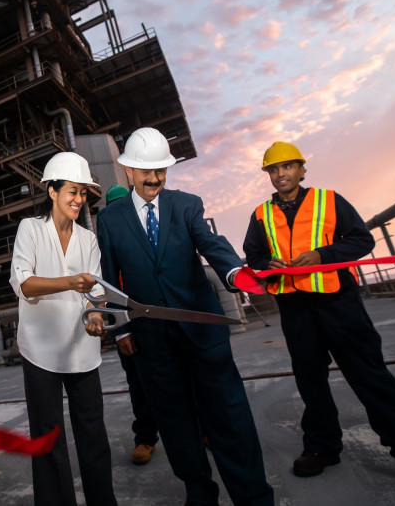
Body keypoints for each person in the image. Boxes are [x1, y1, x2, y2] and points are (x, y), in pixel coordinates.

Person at [243, 142, 395, 501]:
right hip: (294, 307)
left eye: (287, 167)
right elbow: (254, 255)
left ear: (301, 170)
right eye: (273, 170)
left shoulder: (329, 201)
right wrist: (267, 265)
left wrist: (322, 255)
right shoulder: (261, 214)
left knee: (370, 376)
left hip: (338, 303)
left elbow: (361, 239)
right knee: (310, 380)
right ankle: (322, 447)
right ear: (268, 175)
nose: (280, 174)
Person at [96, 127, 273, 506]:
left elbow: (211, 243)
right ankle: (198, 493)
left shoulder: (187, 204)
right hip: (151, 341)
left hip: (202, 332)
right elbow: (110, 279)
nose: (156, 178)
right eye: (147, 171)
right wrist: (122, 329)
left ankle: (254, 496)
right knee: (174, 422)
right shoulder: (110, 220)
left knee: (229, 416)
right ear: (128, 170)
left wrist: (233, 272)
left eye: (161, 170)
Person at [9, 152, 117, 506]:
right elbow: (24, 285)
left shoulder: (88, 239)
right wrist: (70, 282)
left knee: (93, 435)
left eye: (83, 193)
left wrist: (95, 316)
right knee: (48, 437)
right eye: (72, 191)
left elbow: (96, 292)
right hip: (40, 350)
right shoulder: (31, 229)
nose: (78, 199)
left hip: (81, 350)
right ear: (52, 191)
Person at [105, 183, 160, 465]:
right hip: (130, 325)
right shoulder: (104, 243)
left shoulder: (151, 233)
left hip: (160, 321)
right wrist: (120, 331)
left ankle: (199, 429)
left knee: (183, 378)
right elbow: (105, 292)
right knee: (139, 384)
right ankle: (145, 438)